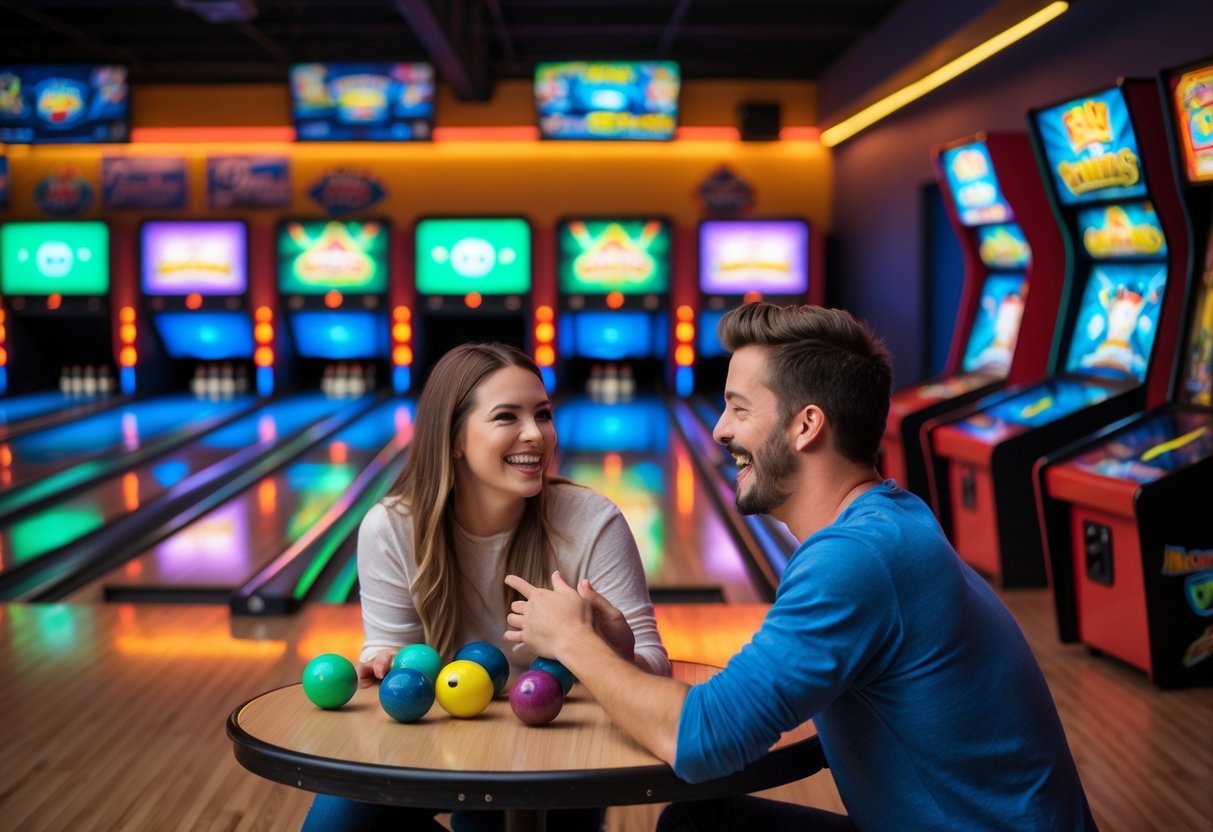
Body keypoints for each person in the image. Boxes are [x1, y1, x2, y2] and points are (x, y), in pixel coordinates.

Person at [504, 302, 1098, 831]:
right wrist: (615, 654)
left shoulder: (855, 559)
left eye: (738, 408)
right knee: (705, 823)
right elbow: (720, 720)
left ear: (806, 425)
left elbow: (702, 740)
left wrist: (574, 642)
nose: (719, 429)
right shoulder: (889, 518)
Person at [302, 342, 670, 832]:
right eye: (506, 417)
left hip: (562, 738)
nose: (534, 434)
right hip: (450, 733)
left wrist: (620, 650)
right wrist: (384, 660)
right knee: (336, 822)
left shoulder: (592, 522)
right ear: (454, 437)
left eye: (543, 414)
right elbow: (391, 651)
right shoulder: (391, 528)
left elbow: (654, 675)